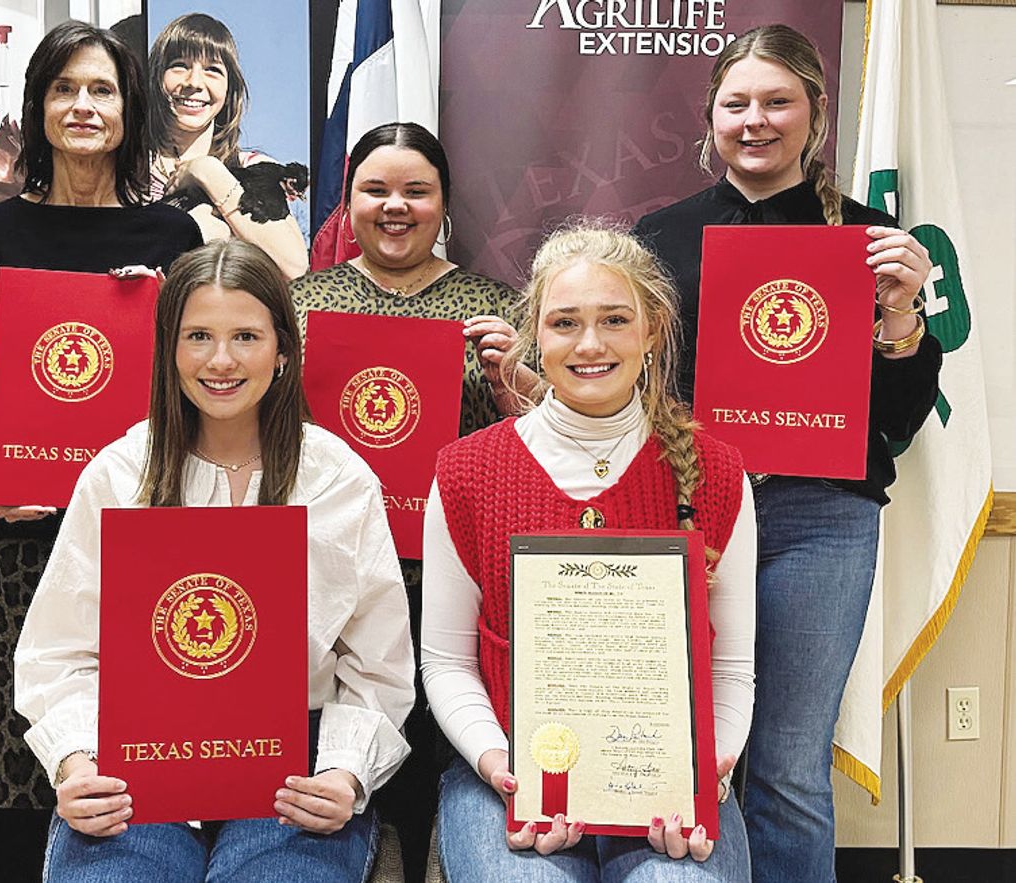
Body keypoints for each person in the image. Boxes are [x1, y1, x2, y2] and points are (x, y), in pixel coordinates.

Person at [631, 24, 942, 883]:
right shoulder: (659, 236)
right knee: (685, 751)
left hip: (821, 520)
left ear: (815, 115)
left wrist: (903, 319)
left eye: (778, 102)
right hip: (690, 507)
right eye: (738, 103)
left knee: (789, 769)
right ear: (712, 117)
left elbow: (902, 420)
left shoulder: (874, 242)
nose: (756, 120)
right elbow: (626, 383)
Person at [13, 239, 415, 881]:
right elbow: (59, 652)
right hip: (134, 752)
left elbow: (379, 663)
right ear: (169, 350)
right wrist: (76, 760)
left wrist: (345, 770)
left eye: (246, 336)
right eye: (198, 335)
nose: (221, 360)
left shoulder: (340, 479)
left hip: (297, 755)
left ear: (283, 350)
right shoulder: (119, 475)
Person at [0, 18, 201, 856]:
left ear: (129, 112)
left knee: (132, 753)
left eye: (102, 90)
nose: (83, 106)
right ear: (39, 105)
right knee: (26, 753)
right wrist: (0, 470)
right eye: (64, 88)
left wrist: (165, 310)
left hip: (145, 531)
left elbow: (208, 380)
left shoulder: (173, 239)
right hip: (26, 534)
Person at [422, 221, 756, 882]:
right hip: (506, 773)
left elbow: (733, 666)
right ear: (534, 336)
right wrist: (501, 766)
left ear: (652, 331)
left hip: (666, 784)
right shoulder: (466, 473)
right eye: (565, 322)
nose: (591, 343)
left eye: (615, 319)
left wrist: (707, 767)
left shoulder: (716, 473)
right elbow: (446, 660)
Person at [291, 120, 537, 879]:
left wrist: (510, 383)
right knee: (339, 747)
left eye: (415, 191)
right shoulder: (301, 302)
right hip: (326, 569)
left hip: (452, 568)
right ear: (348, 201)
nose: (394, 206)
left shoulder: (497, 305)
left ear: (444, 204)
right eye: (375, 189)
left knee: (439, 743)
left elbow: (544, 448)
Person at [147, 13, 308, 278]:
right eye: (179, 65)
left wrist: (207, 171)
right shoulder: (128, 168)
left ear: (229, 88)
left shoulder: (255, 167)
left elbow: (293, 266)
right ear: (156, 77)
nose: (194, 83)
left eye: (212, 70)